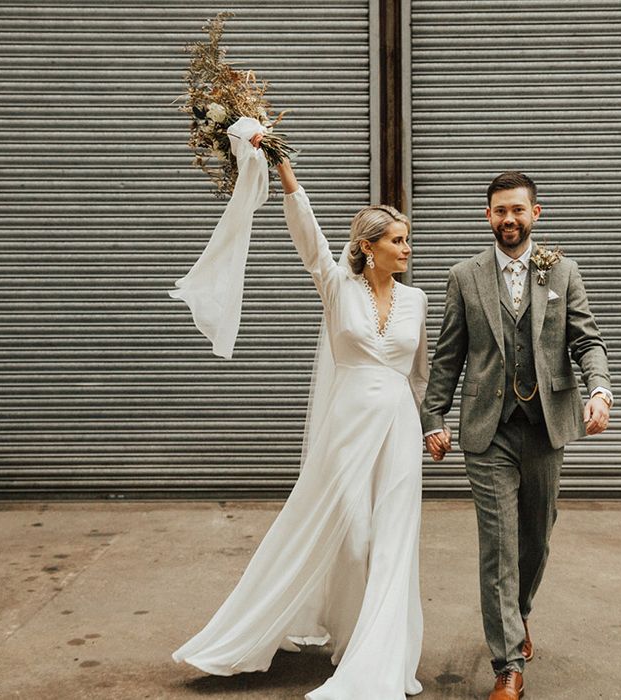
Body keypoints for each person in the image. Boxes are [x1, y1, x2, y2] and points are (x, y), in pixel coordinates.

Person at [172, 136, 429, 700]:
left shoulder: (417, 302)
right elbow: (307, 238)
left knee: (394, 542)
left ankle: (380, 656)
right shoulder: (337, 287)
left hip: (401, 431)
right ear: (368, 246)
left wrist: (430, 422)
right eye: (398, 240)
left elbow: (419, 373)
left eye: (407, 240)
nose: (407, 249)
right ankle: (308, 631)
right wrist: (283, 168)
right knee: (356, 539)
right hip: (347, 427)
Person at [420, 171, 612, 700]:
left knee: (536, 539)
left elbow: (586, 340)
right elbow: (448, 355)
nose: (509, 219)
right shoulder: (464, 276)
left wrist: (600, 390)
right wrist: (433, 419)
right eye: (500, 211)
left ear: (536, 214)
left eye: (518, 211)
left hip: (546, 428)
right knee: (498, 546)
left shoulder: (562, 270)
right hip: (488, 430)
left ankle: (519, 613)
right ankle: (506, 663)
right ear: (488, 216)